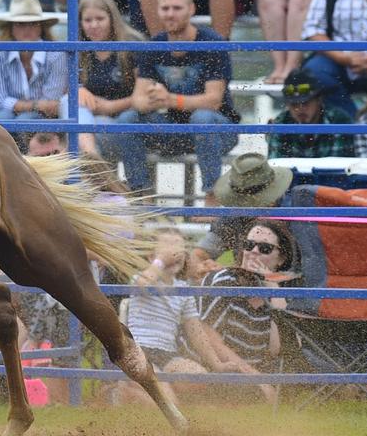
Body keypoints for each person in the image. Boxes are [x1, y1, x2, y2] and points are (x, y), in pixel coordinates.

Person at [102, 0, 239, 195]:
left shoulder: (211, 43)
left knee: (202, 118)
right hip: (172, 129)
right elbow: (138, 100)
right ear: (157, 10)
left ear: (191, 9)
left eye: (177, 8)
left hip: (217, 131)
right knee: (127, 120)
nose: (170, 14)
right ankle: (141, 194)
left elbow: (214, 101)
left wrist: (171, 100)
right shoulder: (154, 46)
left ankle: (213, 197)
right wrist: (154, 99)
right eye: (165, 8)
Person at [188, 219, 302, 404]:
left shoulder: (276, 294)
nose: (253, 252)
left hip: (248, 372)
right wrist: (255, 378)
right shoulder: (223, 281)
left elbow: (277, 348)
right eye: (249, 245)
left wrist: (272, 287)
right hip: (215, 367)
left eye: (264, 248)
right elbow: (210, 340)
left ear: (281, 259)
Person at [117, 228, 214, 406]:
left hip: (166, 354)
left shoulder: (183, 289)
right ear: (150, 257)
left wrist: (216, 363)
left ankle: (146, 391)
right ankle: (135, 392)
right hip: (139, 350)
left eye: (178, 247)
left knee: (199, 377)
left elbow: (196, 333)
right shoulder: (142, 277)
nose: (174, 253)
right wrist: (160, 262)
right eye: (167, 247)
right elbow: (143, 285)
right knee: (168, 404)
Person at [190, 154, 294, 278]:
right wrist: (204, 268)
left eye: (265, 248)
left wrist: (229, 271)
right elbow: (198, 255)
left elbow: (301, 272)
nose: (248, 205)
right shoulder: (234, 216)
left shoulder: (296, 214)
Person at [76, 0, 145, 156]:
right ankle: (102, 180)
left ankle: (128, 182)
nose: (93, 25)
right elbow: (64, 92)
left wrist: (110, 107)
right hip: (95, 118)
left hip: (132, 116)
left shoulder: (132, 45)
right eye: (88, 20)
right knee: (92, 127)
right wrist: (78, 89)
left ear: (112, 19)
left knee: (110, 126)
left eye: (100, 19)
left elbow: (145, 95)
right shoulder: (78, 49)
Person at [0, 0, 69, 125]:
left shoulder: (56, 55)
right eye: (20, 24)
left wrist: (20, 106)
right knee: (2, 117)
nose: (27, 29)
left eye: (33, 23)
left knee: (20, 119)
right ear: (12, 28)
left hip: (44, 118)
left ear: (41, 27)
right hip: (10, 113)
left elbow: (51, 102)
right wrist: (36, 105)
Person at [266, 69, 355, 158]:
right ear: (288, 105)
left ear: (319, 100)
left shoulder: (339, 121)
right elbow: (276, 166)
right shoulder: (280, 124)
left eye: (305, 103)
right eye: (293, 104)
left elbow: (340, 168)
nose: (299, 109)